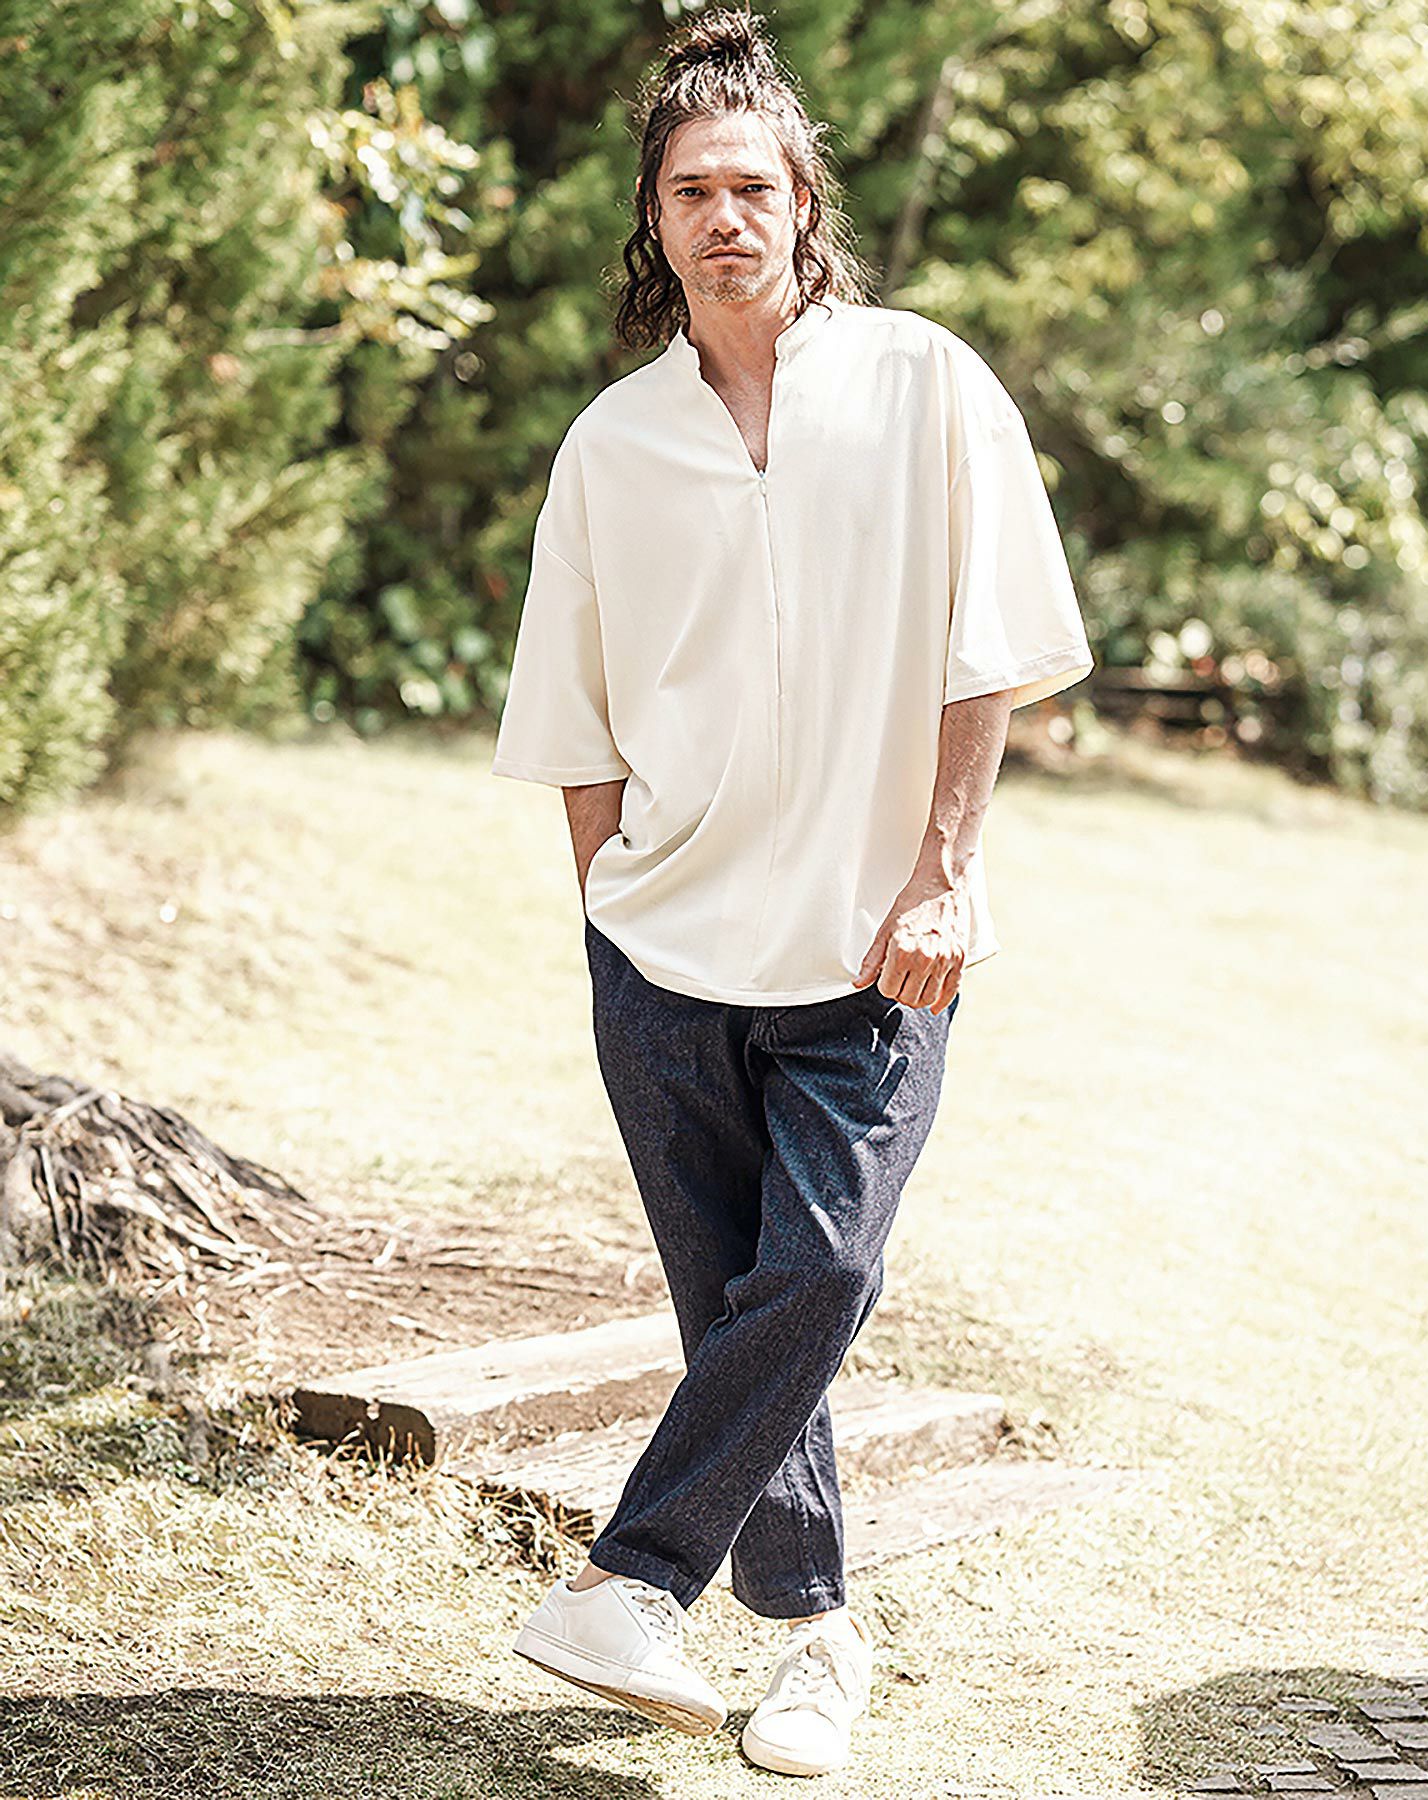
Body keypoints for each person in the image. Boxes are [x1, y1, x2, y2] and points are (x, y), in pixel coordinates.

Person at [490, 5, 1092, 1779]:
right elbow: (574, 718)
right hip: (663, 960)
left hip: (876, 946)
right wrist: (612, 915)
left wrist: (947, 874)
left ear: (804, 199)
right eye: (691, 191)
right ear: (655, 217)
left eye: (752, 185)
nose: (724, 216)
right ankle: (819, 1639)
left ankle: (628, 1579)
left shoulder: (925, 386)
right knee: (737, 1319)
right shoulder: (611, 446)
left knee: (819, 1270)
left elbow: (993, 647)